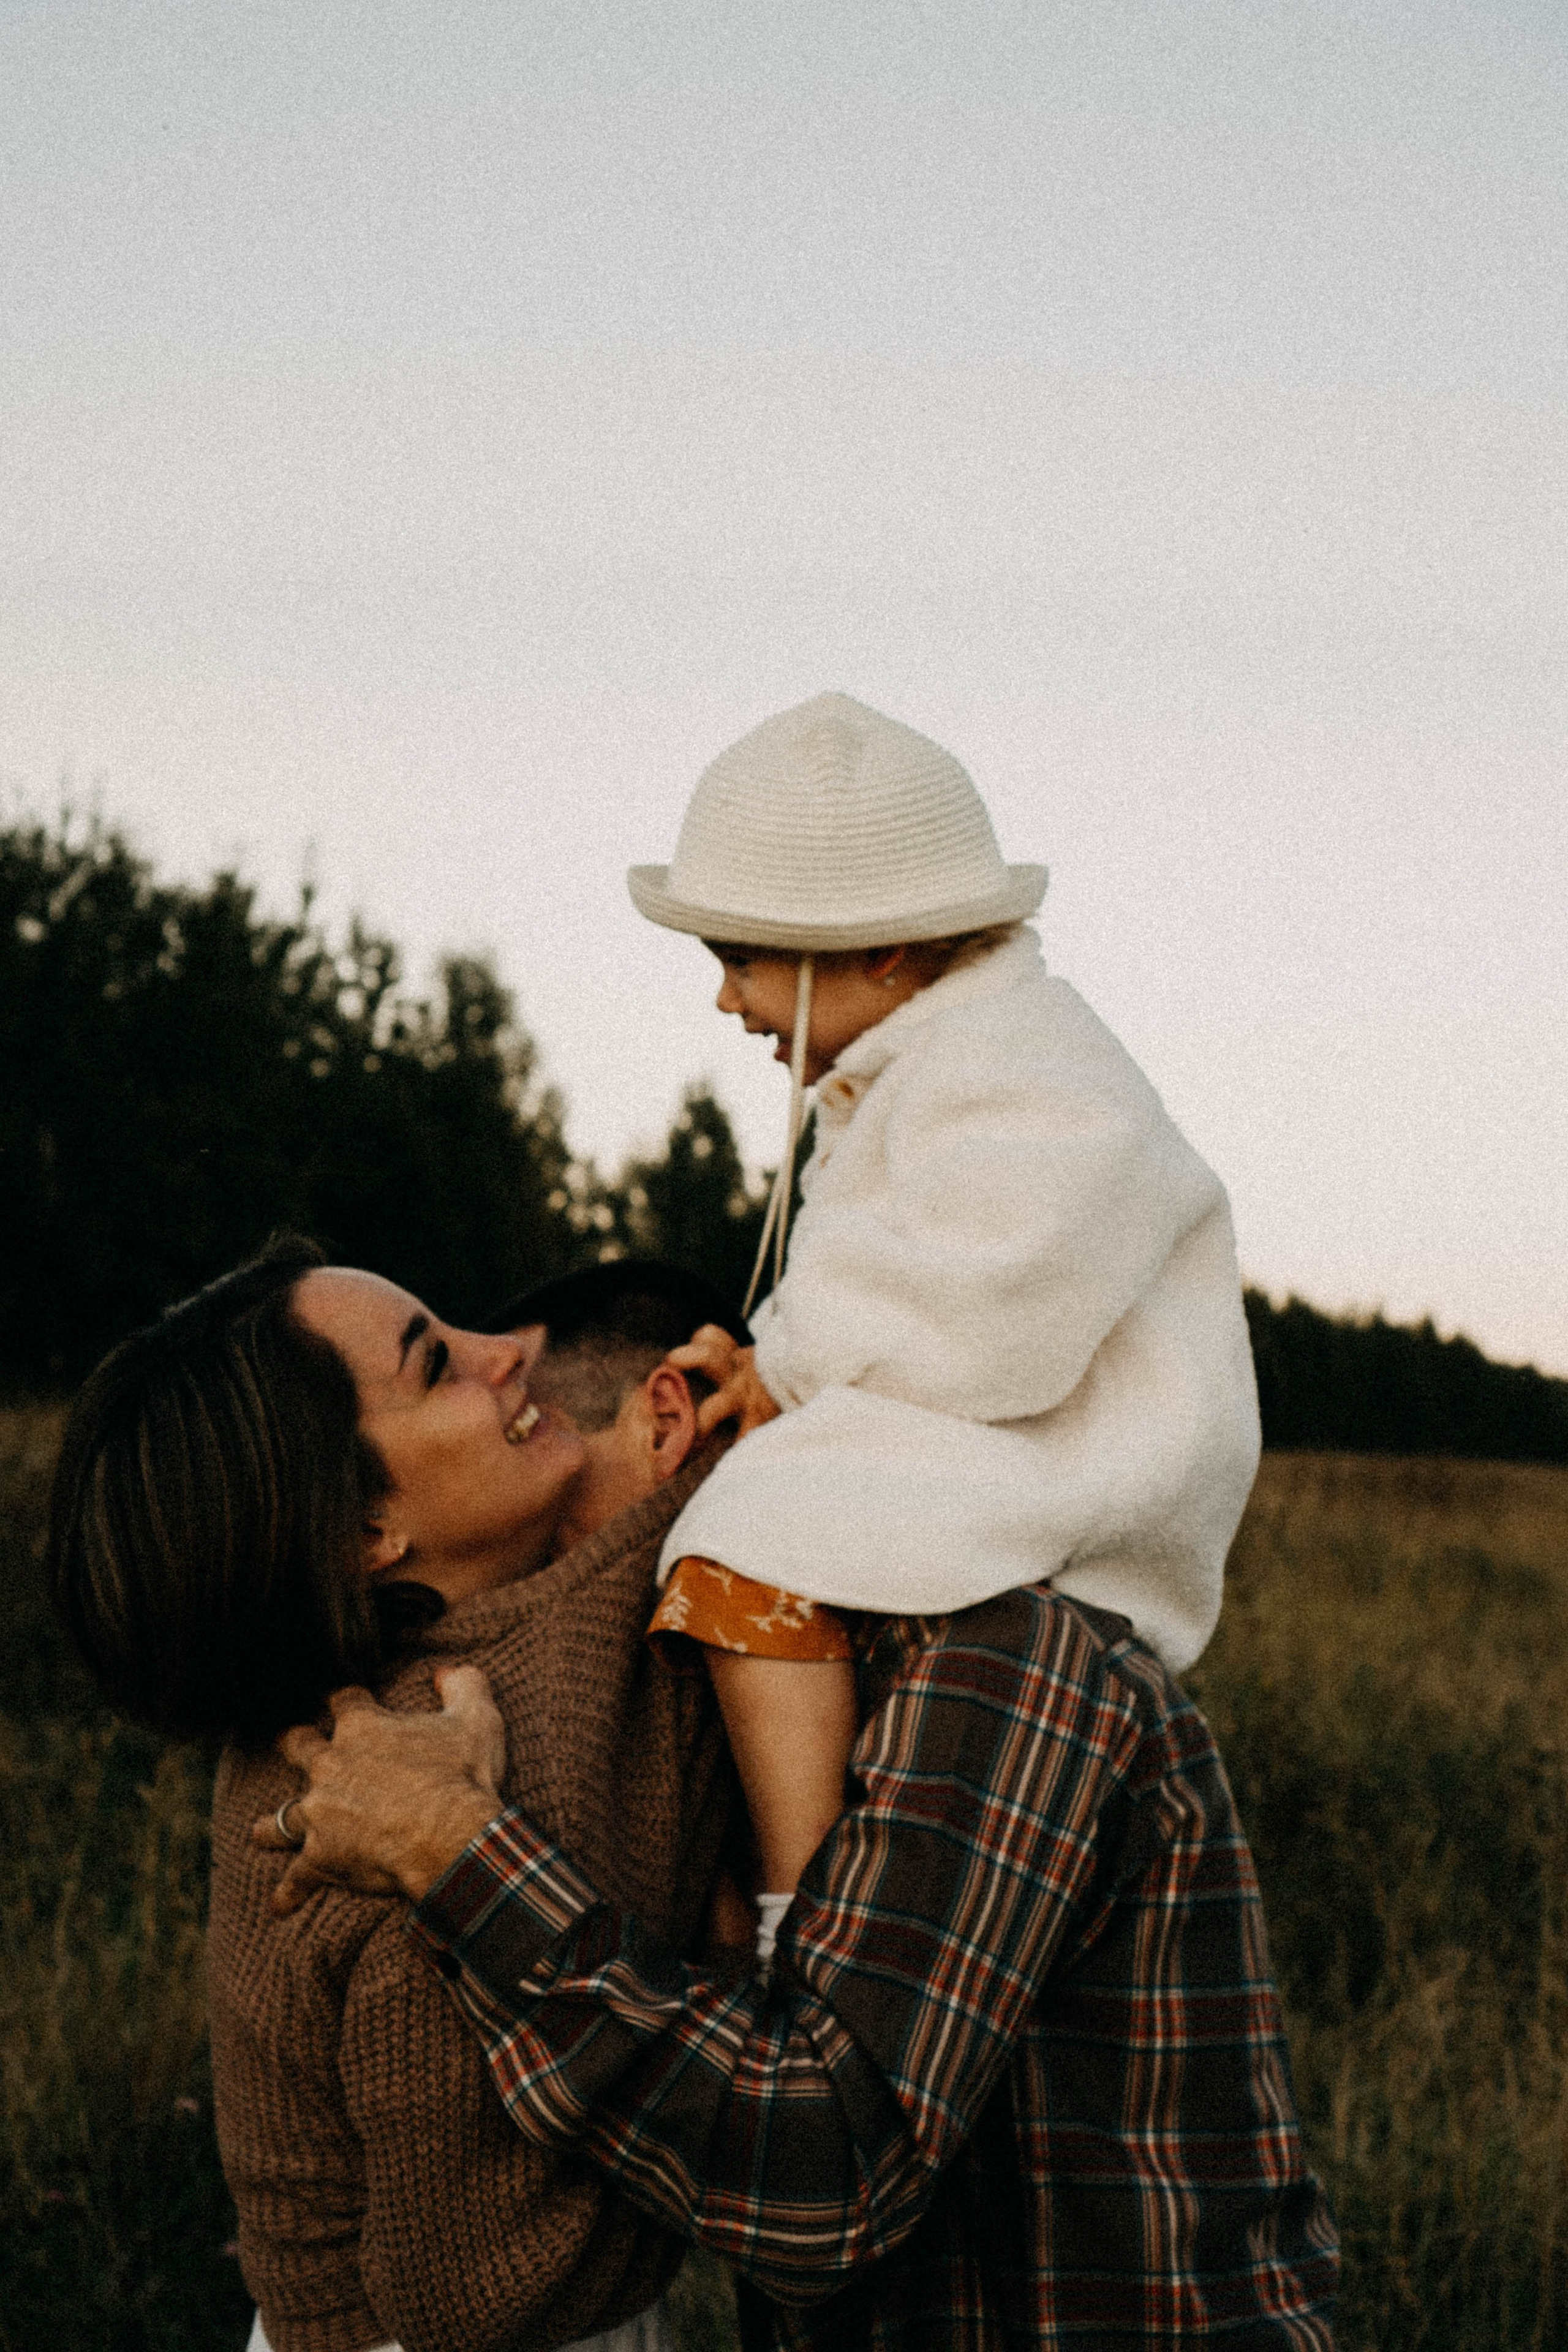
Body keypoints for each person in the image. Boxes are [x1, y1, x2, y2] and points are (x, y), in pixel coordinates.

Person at [254, 1562, 1340, 2348]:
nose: (504, 1367)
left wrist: (452, 1853)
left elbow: (821, 2169)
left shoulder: (999, 1662)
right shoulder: (654, 1711)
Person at [627, 691, 1262, 1948]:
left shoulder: (1031, 1067)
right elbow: (900, 1284)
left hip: (1077, 1451)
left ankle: (801, 1912)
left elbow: (991, 1310)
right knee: (733, 1490)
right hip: (994, 1425)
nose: (724, 1002)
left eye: (739, 962)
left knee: (748, 1535)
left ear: (878, 952)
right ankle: (729, 1854)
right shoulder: (918, 1064)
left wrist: (792, 1374)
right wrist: (772, 1373)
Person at [47, 1238, 752, 2352]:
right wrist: (740, 1439)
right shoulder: (455, 1743)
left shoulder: (345, 1708)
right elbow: (474, 2296)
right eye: (436, 1365)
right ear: (368, 1532)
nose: (511, 1351)